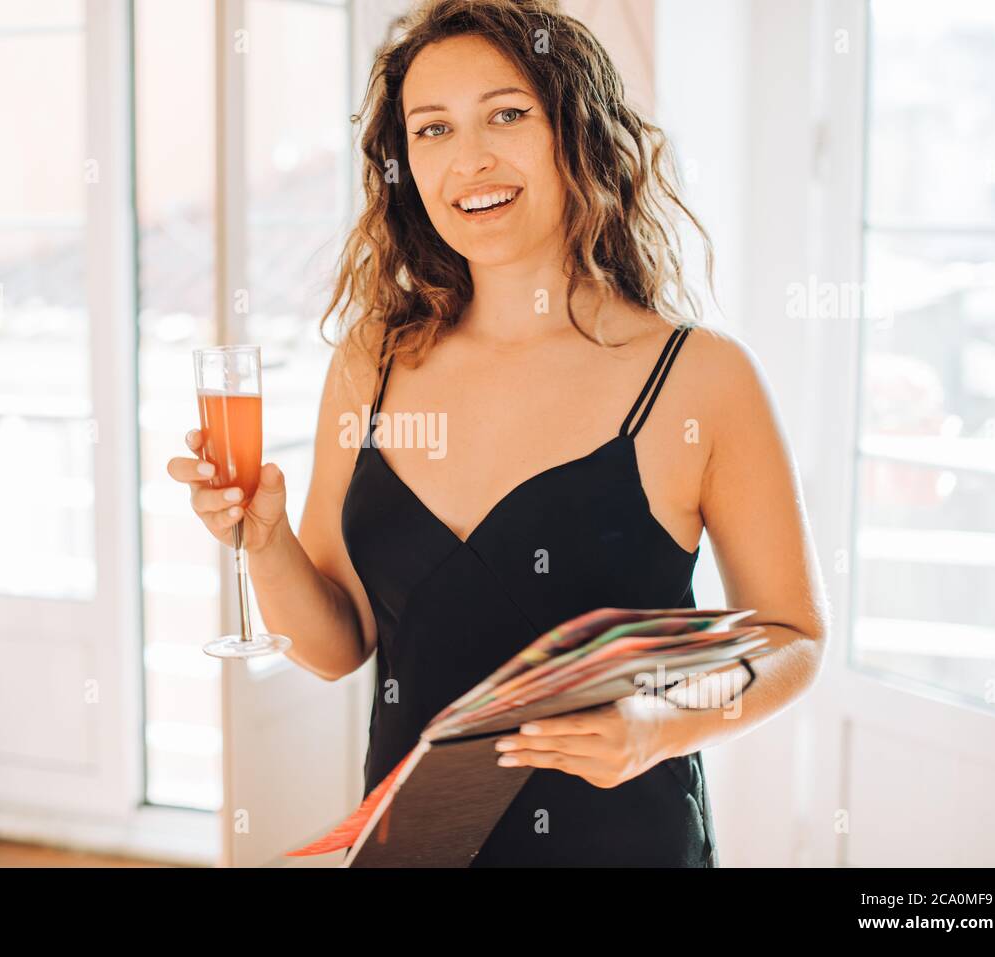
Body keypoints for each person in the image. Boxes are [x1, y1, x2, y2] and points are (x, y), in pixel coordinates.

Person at [168, 0, 829, 866]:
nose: (469, 158)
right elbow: (336, 646)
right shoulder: (371, 362)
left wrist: (665, 723)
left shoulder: (700, 376)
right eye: (432, 129)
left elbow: (792, 635)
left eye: (507, 115)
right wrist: (265, 541)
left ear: (576, 132)